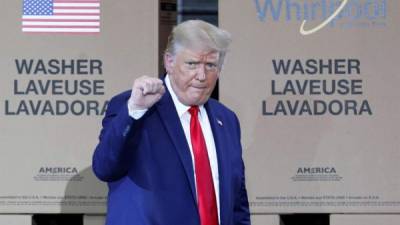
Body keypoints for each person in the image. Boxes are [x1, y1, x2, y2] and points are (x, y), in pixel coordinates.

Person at [92, 20, 251, 225]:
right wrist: (134, 111)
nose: (201, 76)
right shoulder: (134, 107)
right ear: (169, 62)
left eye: (210, 65)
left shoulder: (227, 119)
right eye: (192, 64)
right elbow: (105, 168)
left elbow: (237, 202)